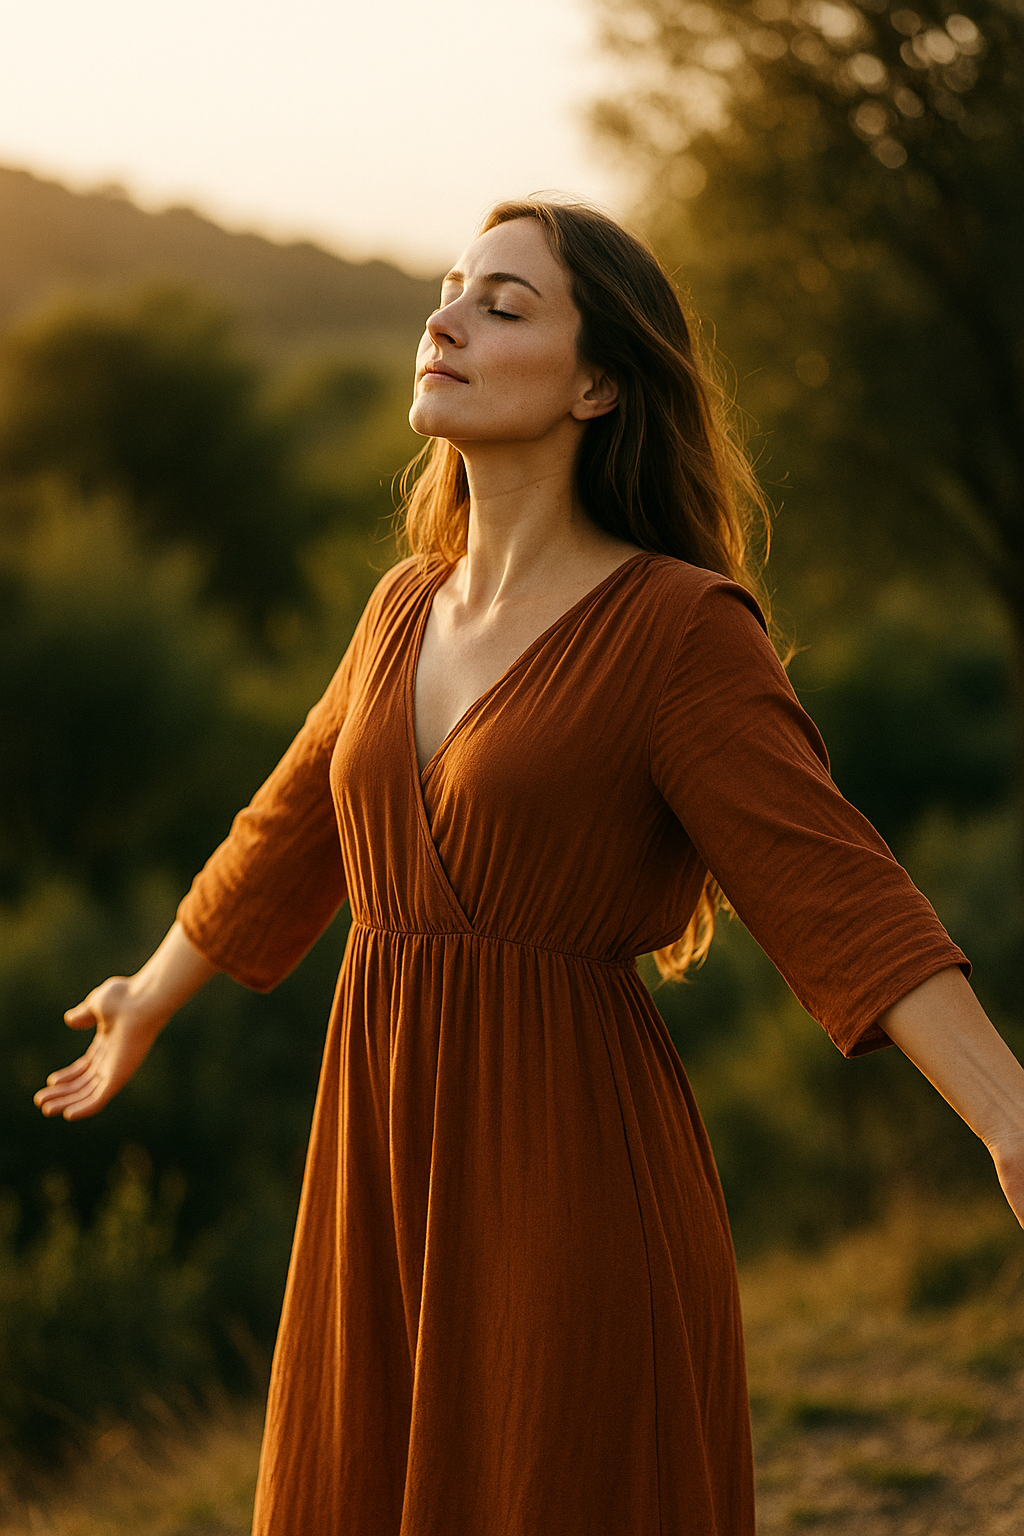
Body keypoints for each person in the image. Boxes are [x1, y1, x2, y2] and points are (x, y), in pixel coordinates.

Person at [34, 200, 1024, 1535]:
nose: (444, 322)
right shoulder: (401, 606)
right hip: (379, 1167)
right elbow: (287, 830)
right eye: (449, 292)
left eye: (503, 306)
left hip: (568, 1180)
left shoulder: (678, 630)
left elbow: (834, 887)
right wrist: (149, 996)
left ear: (599, 384)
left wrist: (1007, 1112)